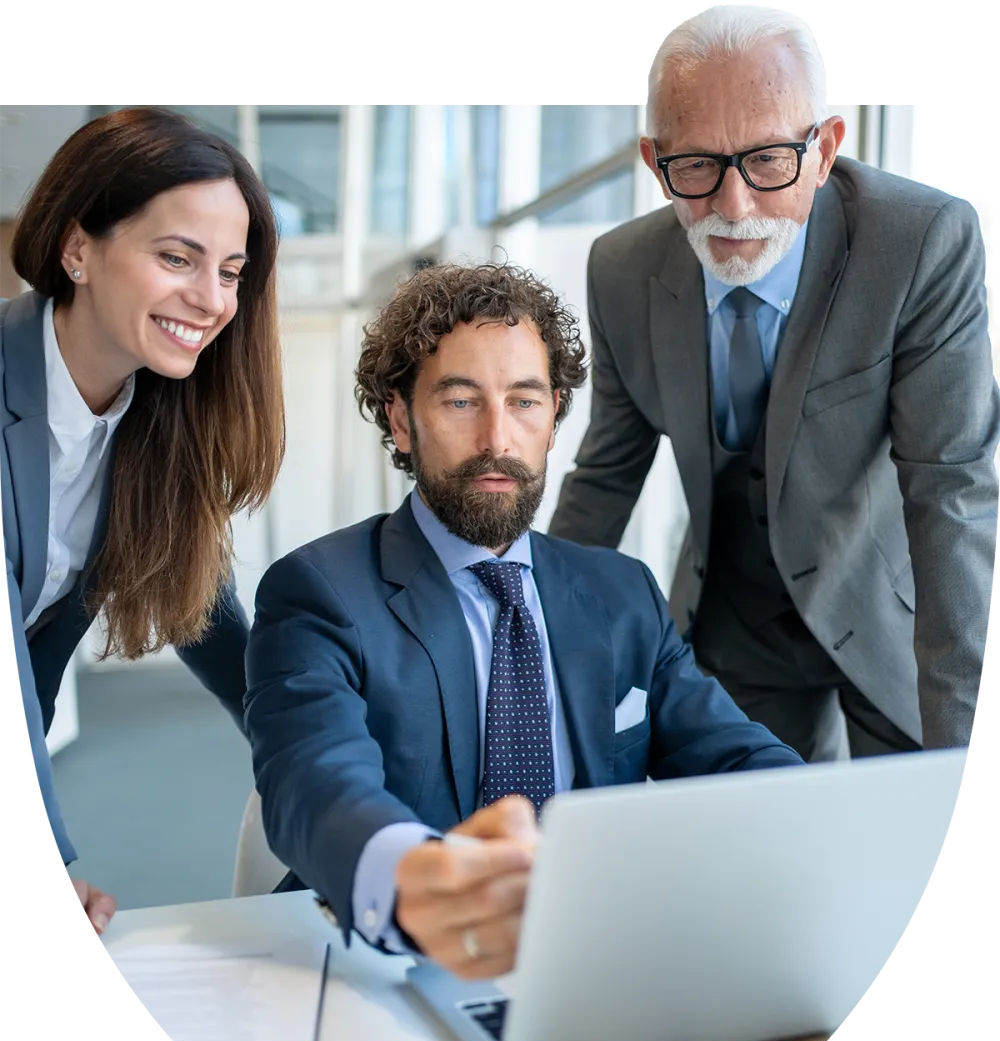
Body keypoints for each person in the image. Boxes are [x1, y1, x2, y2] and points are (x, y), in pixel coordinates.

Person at [244, 262, 802, 983]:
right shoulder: (321, 593)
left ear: (554, 414)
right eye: (459, 401)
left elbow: (734, 757)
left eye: (524, 401)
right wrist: (417, 881)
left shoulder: (620, 591)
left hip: (593, 960)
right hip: (396, 964)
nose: (497, 439)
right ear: (400, 418)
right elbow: (312, 782)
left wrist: (824, 822)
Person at [547, 6, 1000, 762]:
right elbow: (603, 481)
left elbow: (953, 496)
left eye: (767, 161)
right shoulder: (620, 271)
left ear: (824, 150)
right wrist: (530, 646)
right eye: (695, 166)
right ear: (653, 160)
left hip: (892, 613)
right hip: (734, 626)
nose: (733, 208)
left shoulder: (922, 242)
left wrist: (962, 752)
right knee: (756, 857)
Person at [2, 107, 285, 931]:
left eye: (231, 271)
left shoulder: (147, 419)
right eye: (176, 257)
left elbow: (208, 613)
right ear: (78, 248)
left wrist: (327, 746)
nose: (211, 298)